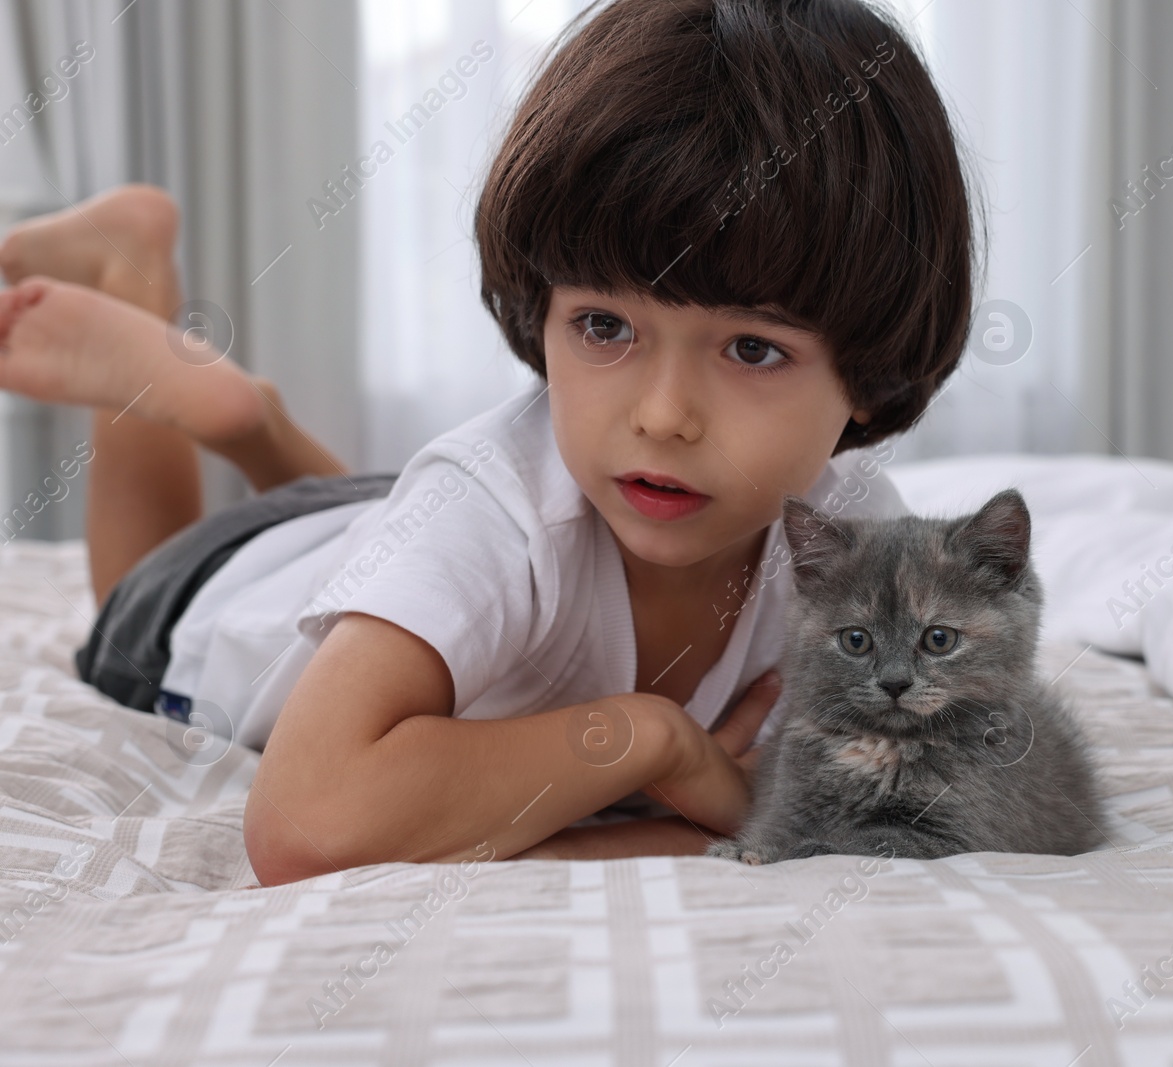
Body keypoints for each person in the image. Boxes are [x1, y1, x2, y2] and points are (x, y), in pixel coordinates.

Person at [0, 0, 975, 884]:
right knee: (123, 595)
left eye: (752, 347)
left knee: (410, 530)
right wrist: (649, 740)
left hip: (381, 520)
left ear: (870, 370)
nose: (663, 415)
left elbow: (912, 788)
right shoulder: (494, 504)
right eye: (603, 326)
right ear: (540, 311)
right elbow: (303, 825)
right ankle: (141, 290)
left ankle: (256, 422)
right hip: (225, 582)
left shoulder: (849, 537)